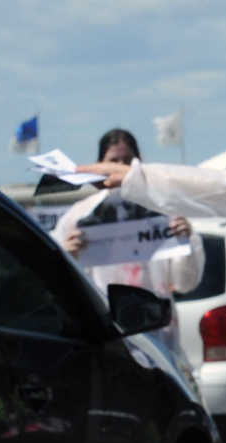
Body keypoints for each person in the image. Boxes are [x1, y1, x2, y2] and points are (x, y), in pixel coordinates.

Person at [54, 127, 200, 318]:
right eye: (113, 161)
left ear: (139, 163)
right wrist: (67, 256)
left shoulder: (165, 212)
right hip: (106, 329)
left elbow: (185, 283)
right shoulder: (78, 217)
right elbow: (58, 286)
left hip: (158, 329)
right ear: (101, 165)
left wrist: (185, 243)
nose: (120, 168)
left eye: (128, 161)